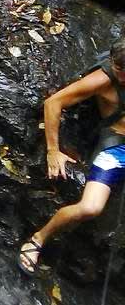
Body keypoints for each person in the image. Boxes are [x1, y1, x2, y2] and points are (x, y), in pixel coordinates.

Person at [18, 38, 125, 275]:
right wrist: (53, 151)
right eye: (119, 70)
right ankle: (39, 238)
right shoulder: (103, 80)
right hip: (116, 148)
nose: (122, 77)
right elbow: (53, 103)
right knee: (90, 208)